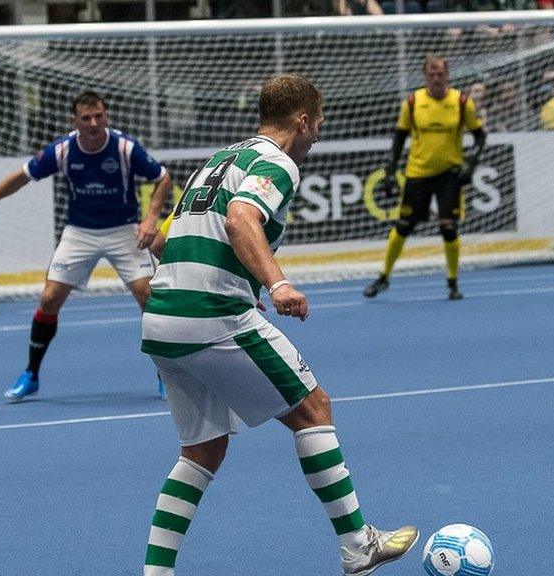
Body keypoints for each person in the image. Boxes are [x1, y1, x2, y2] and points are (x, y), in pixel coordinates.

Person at [140, 73, 418, 576]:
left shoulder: (220, 159)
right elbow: (242, 218)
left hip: (161, 318)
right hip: (211, 316)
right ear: (303, 120)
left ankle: (155, 573)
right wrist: (277, 283)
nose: (317, 136)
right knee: (314, 408)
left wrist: (236, 276)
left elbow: (162, 244)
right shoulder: (277, 162)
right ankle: (358, 545)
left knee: (202, 449)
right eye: (319, 125)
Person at [0, 91, 172, 402]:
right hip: (80, 232)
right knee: (49, 299)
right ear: (74, 120)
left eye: (99, 117)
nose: (93, 123)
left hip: (124, 231)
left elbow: (163, 178)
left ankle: (167, 374)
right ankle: (31, 374)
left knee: (149, 298)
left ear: (106, 116)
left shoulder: (124, 147)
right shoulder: (63, 150)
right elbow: (22, 177)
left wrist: (150, 219)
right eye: (86, 118)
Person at [363, 55, 486, 301]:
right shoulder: (412, 102)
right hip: (417, 173)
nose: (436, 78)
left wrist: (471, 164)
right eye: (432, 74)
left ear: (448, 75)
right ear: (425, 77)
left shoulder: (461, 102)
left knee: (449, 227)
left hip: (449, 174)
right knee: (404, 226)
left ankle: (452, 282)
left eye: (440, 74)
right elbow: (399, 138)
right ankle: (384, 276)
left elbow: (480, 136)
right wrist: (390, 172)